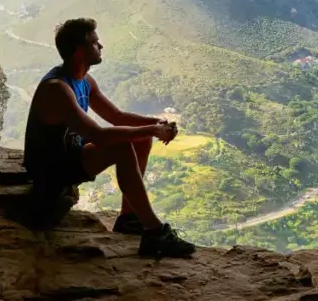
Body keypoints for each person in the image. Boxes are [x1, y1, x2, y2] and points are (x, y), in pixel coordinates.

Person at [23, 17, 196, 258]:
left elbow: (116, 116)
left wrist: (155, 124)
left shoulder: (84, 80)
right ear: (79, 52)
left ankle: (129, 219)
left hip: (70, 156)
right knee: (123, 148)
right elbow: (98, 135)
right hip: (51, 168)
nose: (101, 46)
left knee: (140, 140)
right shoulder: (57, 89)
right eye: (95, 43)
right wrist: (153, 130)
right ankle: (155, 232)